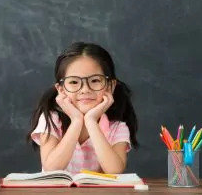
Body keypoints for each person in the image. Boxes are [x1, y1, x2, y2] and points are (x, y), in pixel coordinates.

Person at [27, 42, 138, 175]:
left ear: (110, 85)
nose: (85, 89)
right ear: (61, 89)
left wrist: (91, 121)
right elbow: (52, 168)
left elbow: (114, 170)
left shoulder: (117, 128)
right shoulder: (51, 119)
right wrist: (76, 121)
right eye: (74, 82)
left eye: (95, 80)